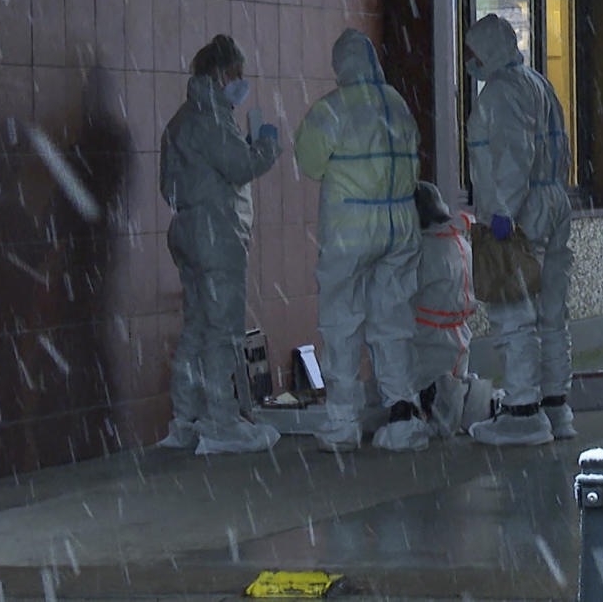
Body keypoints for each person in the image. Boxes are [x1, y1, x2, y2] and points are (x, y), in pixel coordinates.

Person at [294, 28, 431, 453]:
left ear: (340, 67)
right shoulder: (397, 103)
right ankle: (404, 415)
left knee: (342, 322)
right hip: (401, 224)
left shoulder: (332, 110)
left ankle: (343, 421)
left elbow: (310, 162)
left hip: (351, 228)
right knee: (393, 323)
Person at [158, 34, 283, 454]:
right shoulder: (211, 115)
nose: (240, 83)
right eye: (237, 74)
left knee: (195, 326)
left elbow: (169, 186)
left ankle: (184, 420)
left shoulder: (179, 120)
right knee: (224, 329)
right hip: (217, 233)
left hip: (186, 232)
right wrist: (265, 144)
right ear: (218, 73)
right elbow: (238, 166)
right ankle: (222, 421)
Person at [463, 13, 576, 446]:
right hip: (553, 202)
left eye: (473, 53)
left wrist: (503, 212)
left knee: (514, 310)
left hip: (519, 212)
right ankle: (555, 405)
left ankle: (522, 411)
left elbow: (513, 154)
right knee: (551, 311)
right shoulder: (537, 83)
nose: (470, 62)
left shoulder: (500, 93)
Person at [411, 181, 474, 438]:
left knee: (430, 382)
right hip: (458, 332)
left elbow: (406, 291)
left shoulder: (424, 248)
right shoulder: (458, 240)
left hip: (427, 334)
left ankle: (428, 412)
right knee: (452, 380)